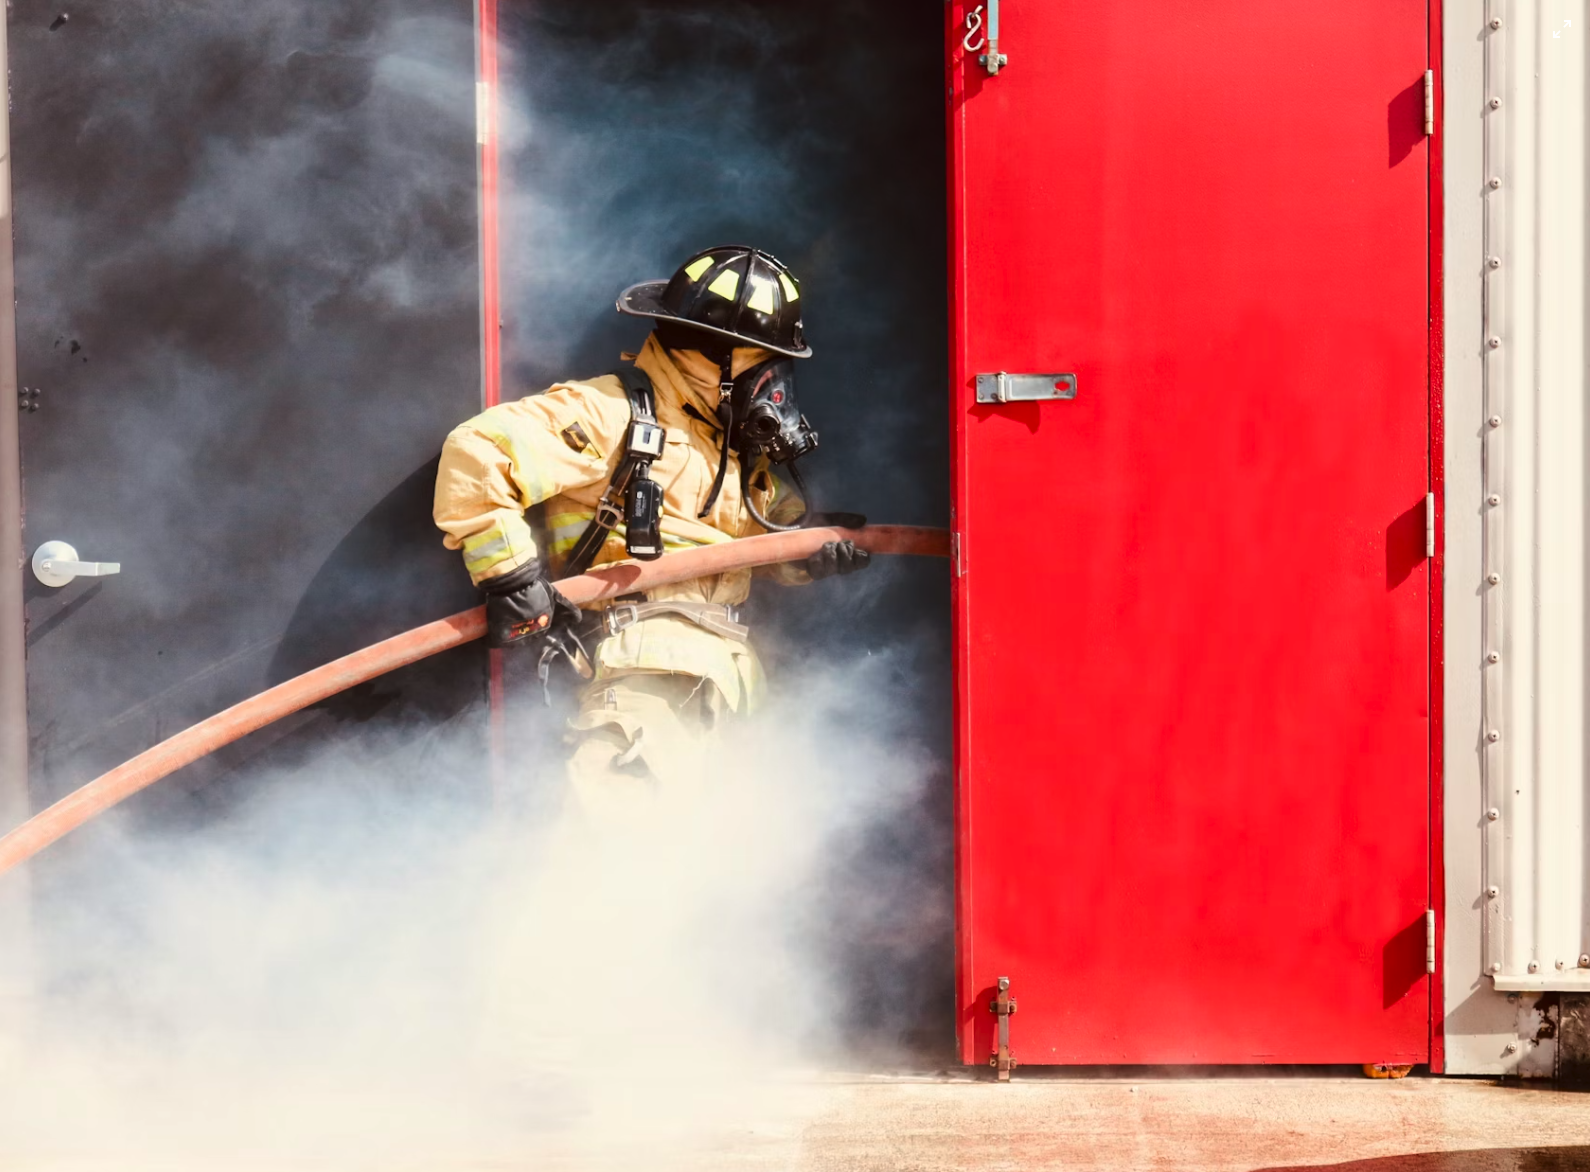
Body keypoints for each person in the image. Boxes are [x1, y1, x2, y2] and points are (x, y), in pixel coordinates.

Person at [434, 246, 869, 817]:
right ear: (717, 357)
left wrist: (809, 552)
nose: (773, 379)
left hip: (729, 685)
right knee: (618, 859)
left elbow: (754, 541)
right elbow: (479, 452)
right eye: (762, 359)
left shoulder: (733, 452)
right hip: (643, 680)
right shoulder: (612, 413)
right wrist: (513, 578)